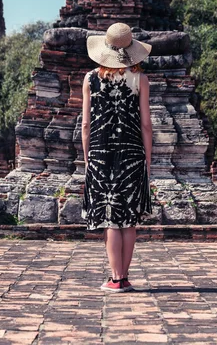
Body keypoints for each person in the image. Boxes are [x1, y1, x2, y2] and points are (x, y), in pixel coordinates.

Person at [81, 22, 153, 293]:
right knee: (129, 217)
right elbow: (146, 124)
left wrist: (88, 157)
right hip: (132, 151)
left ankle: (115, 278)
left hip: (101, 152)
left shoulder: (90, 79)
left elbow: (86, 124)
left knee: (110, 216)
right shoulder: (140, 79)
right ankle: (124, 276)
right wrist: (148, 157)